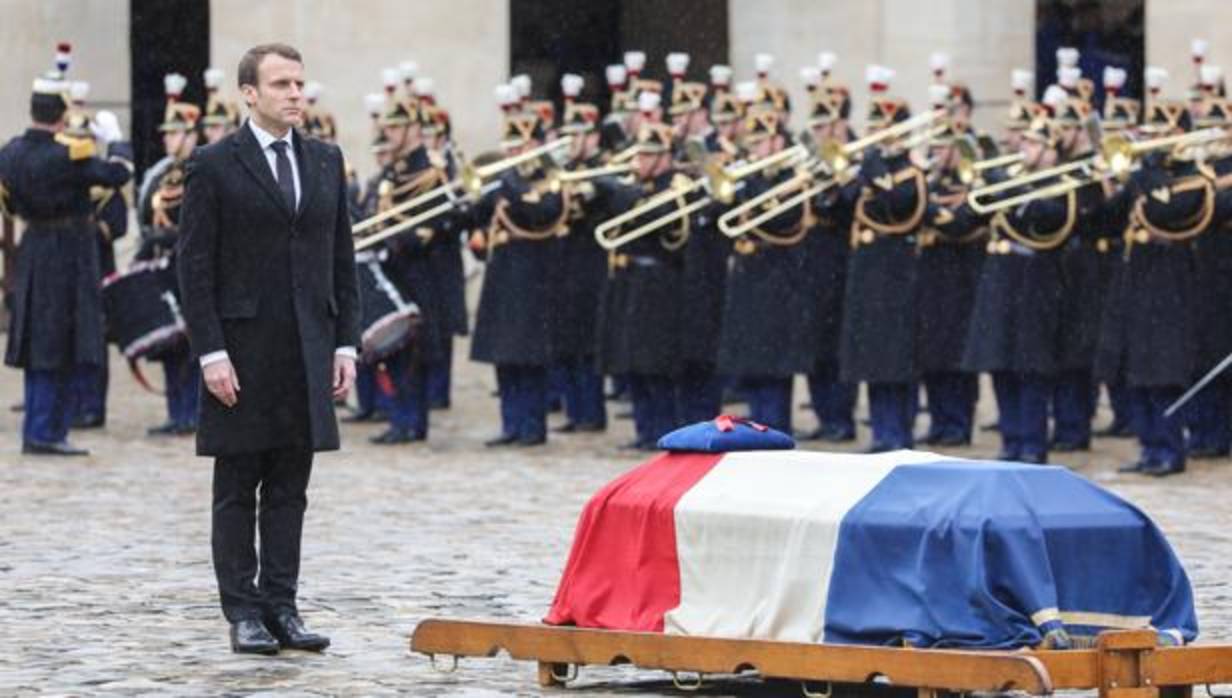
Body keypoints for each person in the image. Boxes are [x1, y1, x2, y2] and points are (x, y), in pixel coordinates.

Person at [178, 43, 359, 655]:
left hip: (308, 347)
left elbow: (342, 262)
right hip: (241, 351)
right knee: (237, 487)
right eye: (281, 84)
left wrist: (346, 344)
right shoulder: (213, 164)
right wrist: (210, 351)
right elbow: (195, 267)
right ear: (249, 94)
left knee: (290, 487)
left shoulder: (327, 161)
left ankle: (283, 605)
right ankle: (243, 612)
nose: (295, 94)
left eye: (300, 83)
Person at [0, 55, 132, 455]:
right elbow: (118, 173)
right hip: (69, 251)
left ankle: (47, 428)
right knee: (59, 339)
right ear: (60, 113)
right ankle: (43, 431)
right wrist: (116, 139)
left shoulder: (10, 153)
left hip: (34, 247)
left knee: (44, 339)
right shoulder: (67, 154)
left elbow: (8, 205)